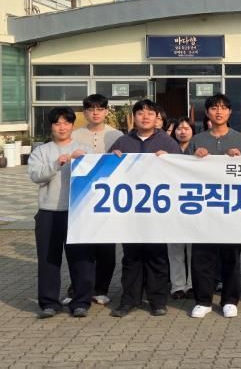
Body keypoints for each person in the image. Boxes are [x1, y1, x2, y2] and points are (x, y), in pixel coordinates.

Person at [109, 99, 181, 318]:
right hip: (130, 212)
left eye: (150, 113)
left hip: (157, 211)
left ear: (157, 118)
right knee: (131, 257)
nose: (145, 117)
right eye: (140, 113)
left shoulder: (167, 142)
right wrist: (110, 159)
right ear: (134, 117)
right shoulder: (123, 142)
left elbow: (182, 172)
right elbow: (106, 173)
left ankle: (157, 300)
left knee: (157, 256)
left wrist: (171, 160)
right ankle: (129, 300)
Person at [188, 94, 241, 319]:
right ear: (207, 112)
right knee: (202, 257)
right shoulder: (197, 140)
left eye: (223, 108)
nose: (219, 112)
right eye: (214, 108)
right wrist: (194, 158)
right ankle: (203, 301)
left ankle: (230, 300)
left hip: (231, 209)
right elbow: (182, 172)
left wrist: (240, 160)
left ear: (230, 112)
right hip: (203, 208)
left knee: (231, 257)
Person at [28, 107, 95, 318]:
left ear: (72, 125)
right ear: (51, 127)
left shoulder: (84, 149)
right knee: (48, 260)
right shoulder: (41, 151)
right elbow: (36, 175)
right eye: (57, 123)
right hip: (49, 212)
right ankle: (49, 303)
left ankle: (81, 302)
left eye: (66, 123)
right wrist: (58, 163)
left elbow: (98, 173)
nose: (62, 127)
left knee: (82, 259)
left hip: (78, 212)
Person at [70, 93, 123, 306]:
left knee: (106, 248)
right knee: (82, 247)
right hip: (81, 199)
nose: (95, 113)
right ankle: (77, 289)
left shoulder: (116, 135)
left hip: (106, 199)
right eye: (91, 109)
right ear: (84, 112)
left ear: (106, 111)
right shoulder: (74, 135)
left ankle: (101, 288)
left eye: (100, 109)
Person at [168, 117, 195, 299]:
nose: (182, 132)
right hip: (172, 205)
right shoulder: (167, 149)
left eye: (186, 128)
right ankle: (177, 285)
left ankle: (192, 284)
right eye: (179, 128)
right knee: (175, 248)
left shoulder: (199, 148)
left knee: (194, 248)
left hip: (193, 204)